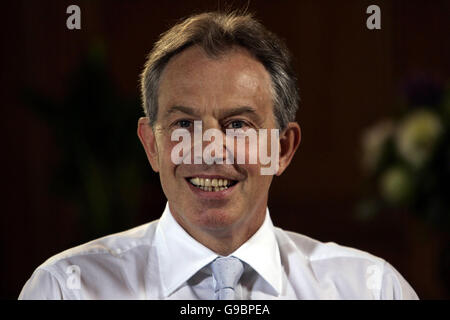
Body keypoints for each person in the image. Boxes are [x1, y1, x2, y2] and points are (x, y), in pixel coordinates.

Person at [19, 11, 418, 300]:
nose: (209, 149)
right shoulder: (65, 289)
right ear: (151, 145)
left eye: (238, 125)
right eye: (183, 124)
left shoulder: (371, 288)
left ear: (282, 149)